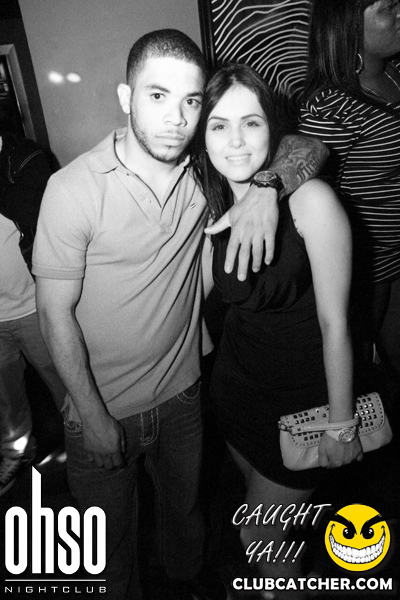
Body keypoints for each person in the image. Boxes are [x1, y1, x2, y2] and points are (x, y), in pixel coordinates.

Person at [32, 30, 327, 600]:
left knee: (185, 518)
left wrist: (267, 186)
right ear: (126, 97)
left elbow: (306, 145)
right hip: (103, 406)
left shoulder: (205, 175)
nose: (176, 118)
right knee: (108, 549)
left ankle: (187, 584)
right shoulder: (72, 190)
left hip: (186, 394)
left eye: (191, 101)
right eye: (157, 96)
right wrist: (91, 416)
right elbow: (52, 314)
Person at [194, 63, 363, 598]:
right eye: (219, 125)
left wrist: (342, 422)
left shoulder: (311, 202)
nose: (236, 141)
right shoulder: (213, 202)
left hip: (302, 403)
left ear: (273, 129)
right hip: (237, 393)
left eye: (251, 123)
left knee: (260, 533)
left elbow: (337, 323)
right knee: (262, 516)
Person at [298, 0, 400, 385]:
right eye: (389, 7)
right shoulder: (331, 107)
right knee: (372, 378)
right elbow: (314, 201)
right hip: (371, 272)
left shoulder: (396, 72)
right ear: (349, 22)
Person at [0, 121, 66, 496]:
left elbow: (36, 208)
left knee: (66, 385)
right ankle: (18, 453)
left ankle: (86, 449)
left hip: (33, 305)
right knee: (6, 399)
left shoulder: (23, 158)